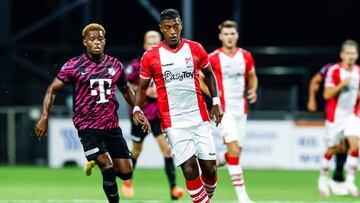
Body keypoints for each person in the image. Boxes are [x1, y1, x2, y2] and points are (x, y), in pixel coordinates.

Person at [34, 23, 150, 203]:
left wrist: (136, 110)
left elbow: (126, 89)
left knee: (126, 173)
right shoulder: (74, 65)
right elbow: (52, 89)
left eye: (100, 39)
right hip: (87, 125)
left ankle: (94, 159)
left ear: (105, 41)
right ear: (85, 42)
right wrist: (44, 116)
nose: (97, 42)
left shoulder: (115, 64)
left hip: (111, 125)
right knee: (107, 165)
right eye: (92, 39)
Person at [133, 9, 223, 203]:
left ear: (181, 25)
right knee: (189, 168)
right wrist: (136, 109)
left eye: (175, 26)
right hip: (173, 122)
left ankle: (205, 198)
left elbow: (209, 75)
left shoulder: (195, 48)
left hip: (199, 118)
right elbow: (141, 88)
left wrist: (216, 102)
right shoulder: (150, 56)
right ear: (161, 29)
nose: (172, 31)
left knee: (209, 169)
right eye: (167, 27)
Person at [121, 30, 184, 199]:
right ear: (145, 45)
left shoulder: (168, 63)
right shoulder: (135, 65)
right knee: (136, 151)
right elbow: (124, 83)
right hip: (140, 116)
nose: (153, 45)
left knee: (166, 151)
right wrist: (142, 90)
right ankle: (128, 180)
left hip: (159, 115)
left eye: (156, 42)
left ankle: (173, 188)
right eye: (150, 42)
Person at [208, 20, 258, 203]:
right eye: (226, 34)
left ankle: (214, 162)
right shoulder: (213, 57)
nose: (229, 37)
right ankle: (242, 196)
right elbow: (199, 79)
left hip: (241, 110)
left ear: (236, 36)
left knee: (235, 153)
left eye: (232, 34)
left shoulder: (246, 56)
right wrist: (214, 96)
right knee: (235, 149)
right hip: (224, 111)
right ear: (221, 36)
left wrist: (253, 90)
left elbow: (252, 75)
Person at [318, 39, 360, 197]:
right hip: (335, 117)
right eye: (348, 53)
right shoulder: (334, 71)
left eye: (353, 53)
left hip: (352, 116)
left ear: (356, 56)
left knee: (355, 145)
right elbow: (327, 94)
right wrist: (342, 84)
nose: (350, 56)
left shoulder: (358, 72)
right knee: (332, 149)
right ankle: (322, 179)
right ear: (342, 55)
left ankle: (350, 181)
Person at [307, 64, 349, 195]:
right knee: (335, 146)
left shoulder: (355, 73)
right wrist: (312, 99)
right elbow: (315, 81)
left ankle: (338, 176)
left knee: (347, 143)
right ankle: (327, 178)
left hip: (350, 115)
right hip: (334, 114)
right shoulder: (330, 69)